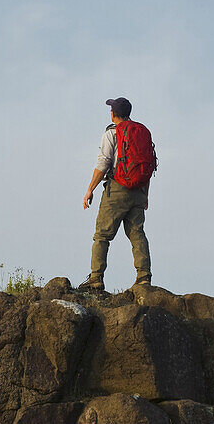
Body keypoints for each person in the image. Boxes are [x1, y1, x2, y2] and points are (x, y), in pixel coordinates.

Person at [79, 97, 152, 291]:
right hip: (138, 190)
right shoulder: (141, 132)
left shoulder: (112, 133)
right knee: (137, 233)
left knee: (102, 235)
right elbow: (148, 164)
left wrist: (90, 190)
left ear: (112, 114)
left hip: (117, 189)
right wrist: (145, 194)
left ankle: (96, 278)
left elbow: (103, 163)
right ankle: (144, 277)